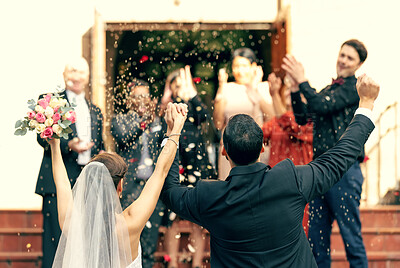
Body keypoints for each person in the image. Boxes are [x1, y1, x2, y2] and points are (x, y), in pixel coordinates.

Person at [161, 74, 379, 267]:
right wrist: (366, 103)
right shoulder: (291, 180)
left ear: (224, 152)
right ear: (262, 147)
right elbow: (340, 156)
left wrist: (173, 134)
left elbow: (169, 191)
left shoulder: (209, 196)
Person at [49, 102, 187, 267]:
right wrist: (174, 130)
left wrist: (54, 146)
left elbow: (62, 184)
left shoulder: (72, 223)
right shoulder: (131, 221)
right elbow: (160, 172)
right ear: (120, 186)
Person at [282, 39, 369, 267]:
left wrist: (303, 80)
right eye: (342, 54)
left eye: (350, 58)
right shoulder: (330, 88)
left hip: (345, 172)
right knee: (316, 240)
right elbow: (304, 117)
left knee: (351, 239)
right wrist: (294, 89)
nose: (343, 60)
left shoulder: (354, 87)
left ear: (359, 65)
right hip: (320, 170)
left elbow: (321, 105)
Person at [35, 57, 104, 268]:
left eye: (81, 72)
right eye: (72, 71)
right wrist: (68, 145)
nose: (76, 76)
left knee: (83, 241)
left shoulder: (95, 110)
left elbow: (100, 145)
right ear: (64, 75)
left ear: (88, 77)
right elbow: (41, 137)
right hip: (56, 182)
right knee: (55, 242)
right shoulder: (50, 102)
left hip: (86, 183)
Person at [161, 66, 217, 268]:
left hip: (197, 165)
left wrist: (191, 94)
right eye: (175, 86)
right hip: (177, 164)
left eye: (182, 85)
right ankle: (173, 263)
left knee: (198, 220)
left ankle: (195, 263)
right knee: (172, 219)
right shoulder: (168, 107)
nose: (179, 89)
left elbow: (204, 118)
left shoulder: (194, 105)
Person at [111, 79, 169, 268]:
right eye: (138, 96)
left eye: (146, 96)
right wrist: (145, 121)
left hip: (152, 189)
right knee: (126, 244)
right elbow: (124, 137)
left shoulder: (157, 122)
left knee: (150, 244)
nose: (143, 100)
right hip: (129, 188)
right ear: (129, 100)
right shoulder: (119, 120)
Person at [262, 73, 313, 235]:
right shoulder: (275, 122)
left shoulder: (309, 122)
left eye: (293, 92)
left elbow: (291, 124)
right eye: (287, 93)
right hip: (276, 186)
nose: (289, 95)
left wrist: (274, 95)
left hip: (300, 187)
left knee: (300, 234)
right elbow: (255, 137)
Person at [213, 47, 274, 180]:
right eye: (236, 66)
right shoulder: (227, 88)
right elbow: (217, 123)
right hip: (231, 150)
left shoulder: (263, 87)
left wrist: (254, 88)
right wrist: (221, 87)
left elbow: (272, 117)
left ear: (253, 66)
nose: (240, 71)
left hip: (256, 149)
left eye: (244, 66)